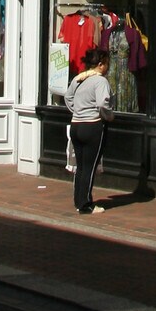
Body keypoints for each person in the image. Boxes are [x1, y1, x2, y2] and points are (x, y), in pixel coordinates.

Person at [66, 44, 114, 215]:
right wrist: (108, 116)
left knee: (80, 166)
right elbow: (102, 103)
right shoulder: (100, 81)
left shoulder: (79, 78)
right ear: (101, 64)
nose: (107, 67)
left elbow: (68, 96)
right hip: (93, 126)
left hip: (76, 125)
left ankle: (79, 200)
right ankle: (86, 204)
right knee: (90, 166)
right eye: (107, 63)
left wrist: (77, 110)